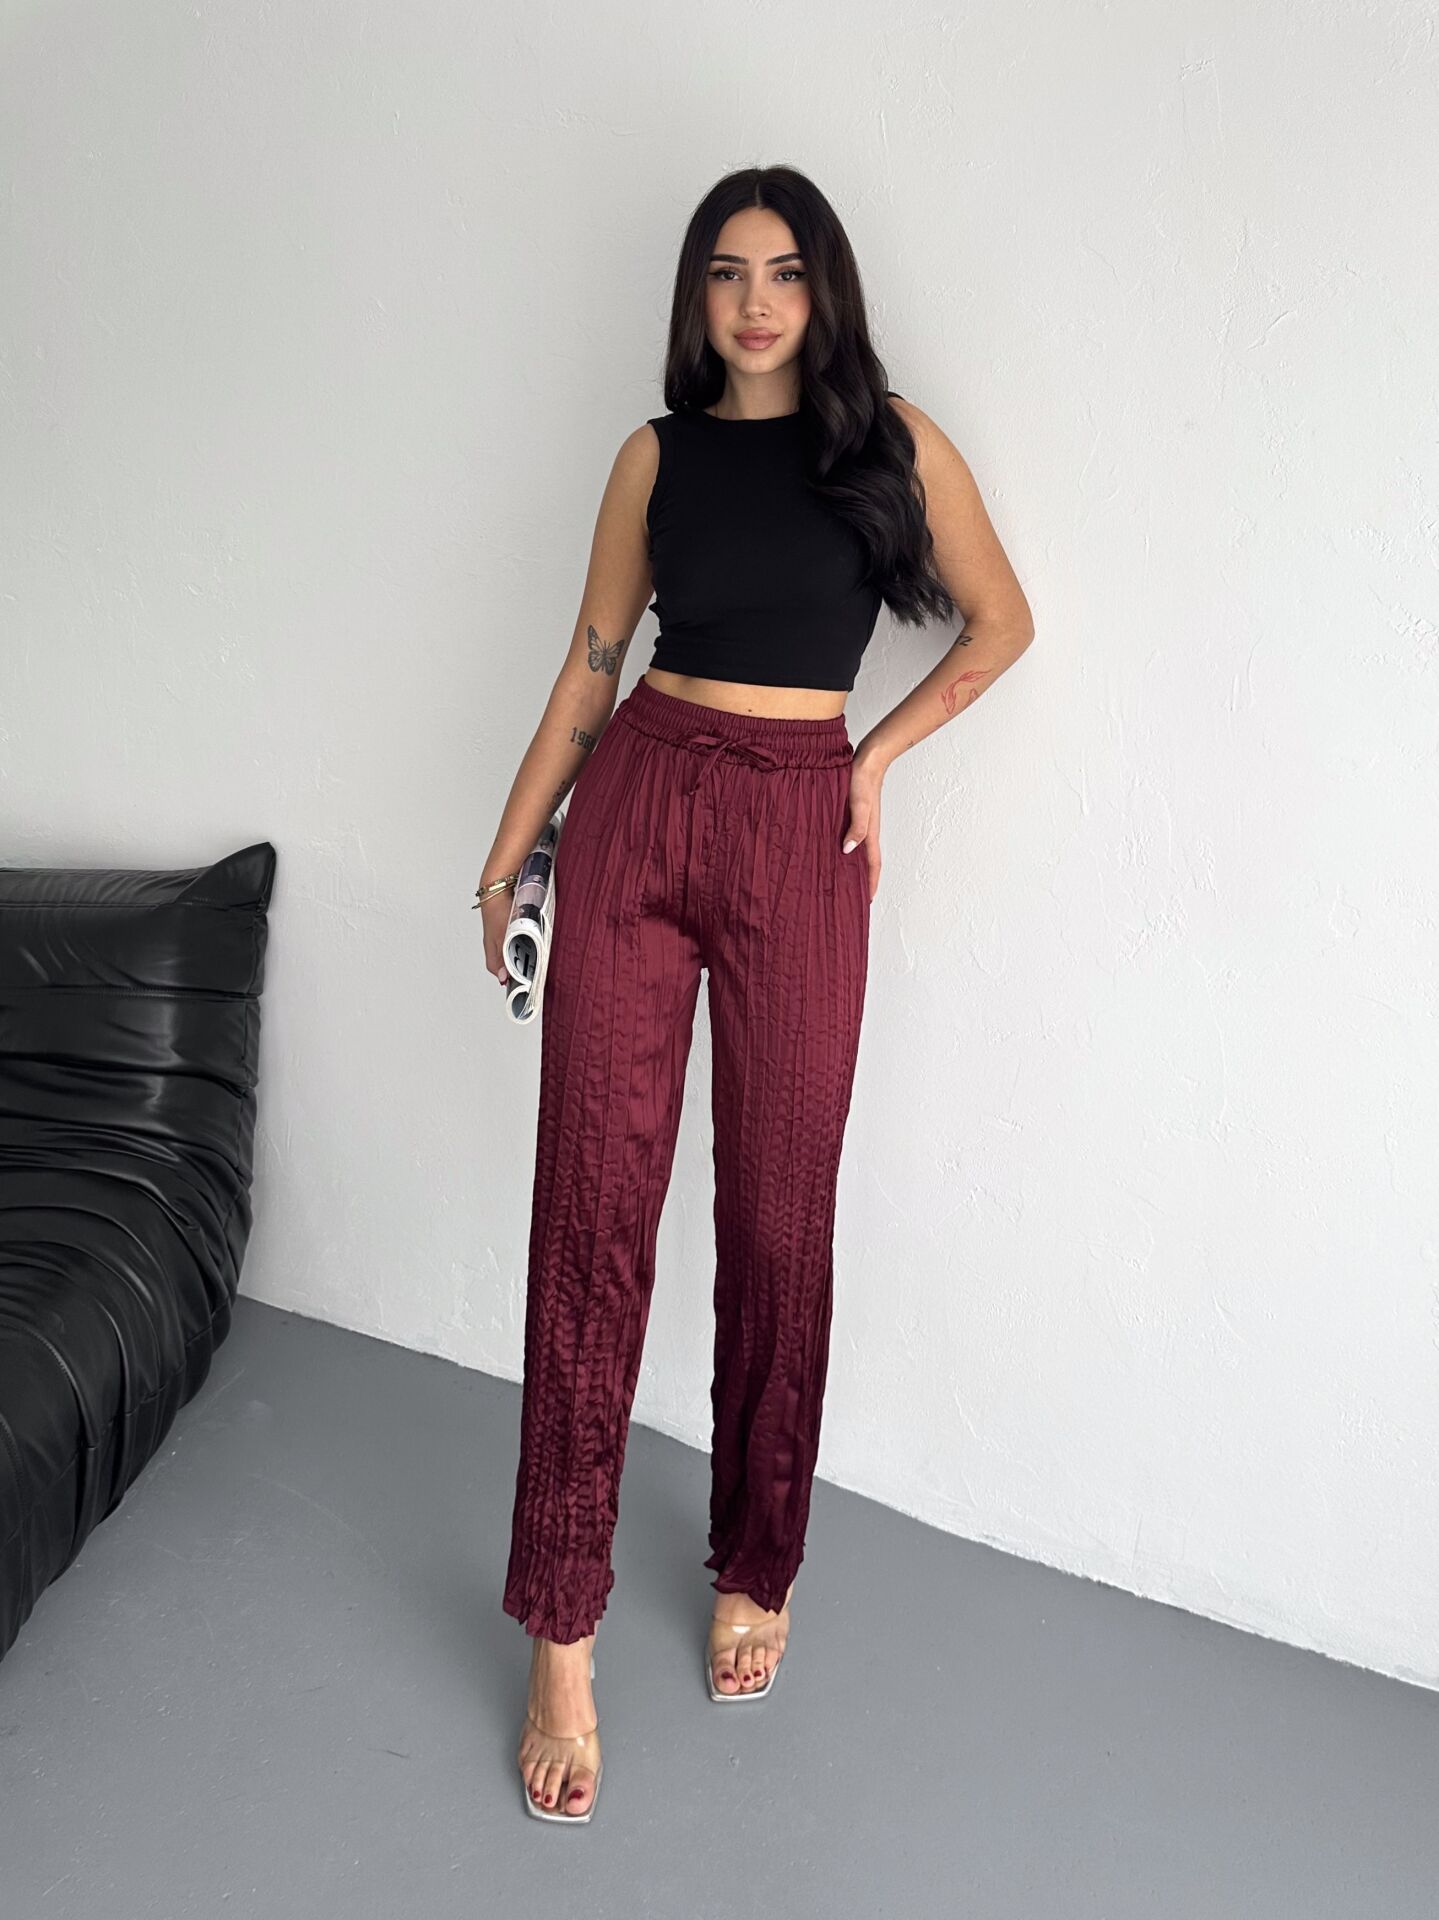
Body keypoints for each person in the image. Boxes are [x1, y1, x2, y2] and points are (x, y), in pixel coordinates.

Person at [475, 164, 1035, 1822]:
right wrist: (505, 860)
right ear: (697, 297)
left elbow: (1003, 623)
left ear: (824, 289)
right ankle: (561, 1630)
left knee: (782, 1217)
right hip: (641, 810)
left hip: (801, 828)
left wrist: (874, 757)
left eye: (784, 272)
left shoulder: (894, 447)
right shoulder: (654, 458)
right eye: (726, 272)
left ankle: (755, 1558)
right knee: (592, 1213)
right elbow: (592, 667)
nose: (755, 302)